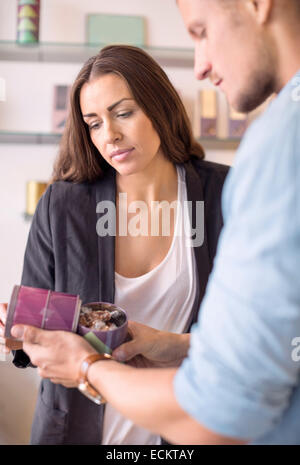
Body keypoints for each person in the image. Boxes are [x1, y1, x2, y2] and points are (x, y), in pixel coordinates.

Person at [0, 44, 228, 445]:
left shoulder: (224, 194)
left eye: (123, 113)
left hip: (184, 433)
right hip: (75, 431)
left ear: (160, 106)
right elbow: (35, 336)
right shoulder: (62, 205)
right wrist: (18, 335)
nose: (111, 135)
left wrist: (177, 345)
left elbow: (259, 336)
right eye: (94, 123)